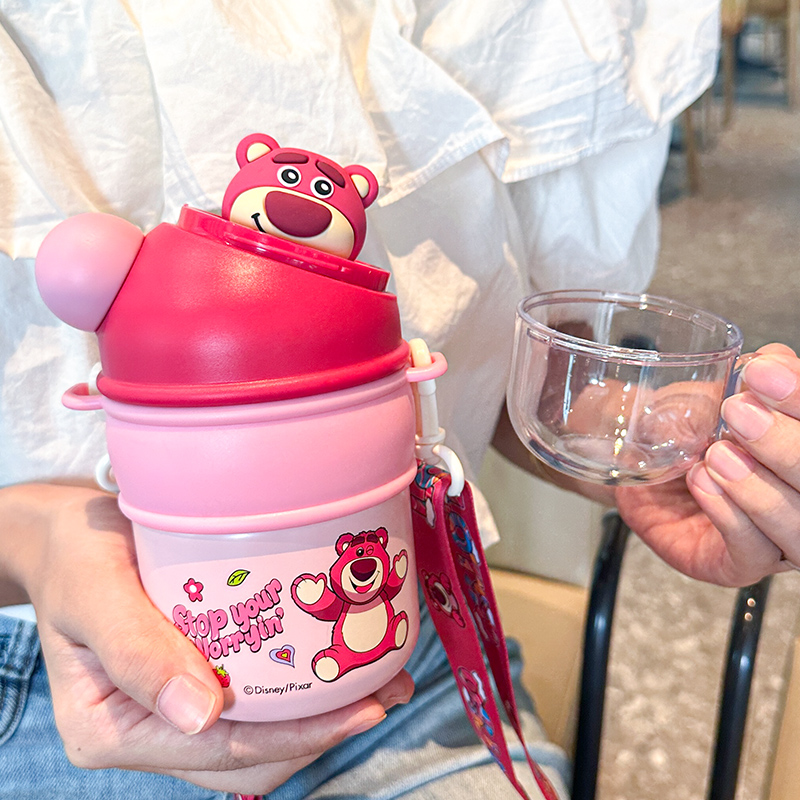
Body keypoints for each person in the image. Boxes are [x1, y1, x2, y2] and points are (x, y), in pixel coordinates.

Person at [4, 2, 796, 799]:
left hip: (400, 655)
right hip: (44, 694)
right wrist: (38, 543)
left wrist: (652, 447)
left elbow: (499, 372)